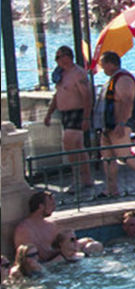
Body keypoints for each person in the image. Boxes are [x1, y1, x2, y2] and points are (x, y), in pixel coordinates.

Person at [44, 46, 93, 189]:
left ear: (67, 57)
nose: (56, 60)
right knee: (78, 146)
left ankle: (77, 177)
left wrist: (86, 117)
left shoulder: (78, 74)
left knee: (69, 143)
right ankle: (86, 177)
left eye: (58, 57)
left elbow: (87, 96)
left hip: (77, 112)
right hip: (65, 113)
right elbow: (57, 95)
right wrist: (49, 113)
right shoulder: (61, 74)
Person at [96, 51, 135, 196]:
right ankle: (111, 189)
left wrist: (121, 123)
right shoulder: (113, 79)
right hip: (107, 126)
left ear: (111, 64)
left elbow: (127, 101)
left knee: (126, 156)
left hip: (119, 125)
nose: (102, 69)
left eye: (103, 66)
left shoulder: (124, 79)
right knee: (108, 158)